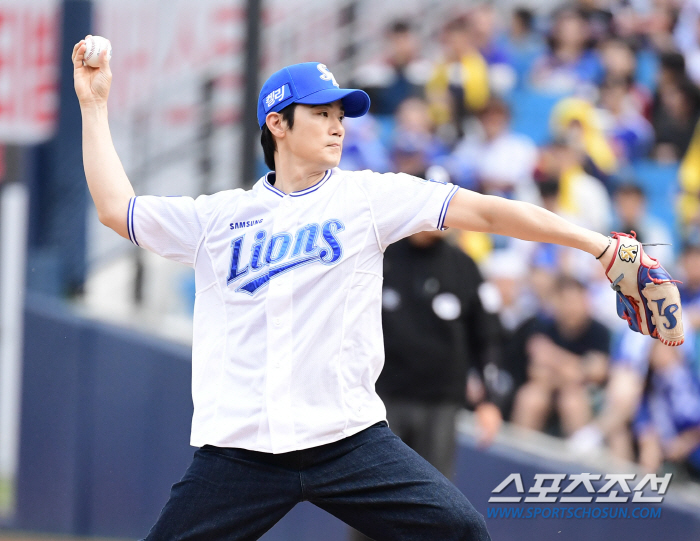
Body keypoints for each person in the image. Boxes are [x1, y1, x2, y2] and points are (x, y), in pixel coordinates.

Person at [73, 32, 638, 540]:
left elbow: (486, 213)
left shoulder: (367, 199)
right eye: (320, 113)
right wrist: (94, 106)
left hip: (347, 441)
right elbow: (115, 208)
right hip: (240, 451)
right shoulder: (217, 220)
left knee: (462, 531)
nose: (338, 124)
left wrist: (598, 244)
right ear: (278, 124)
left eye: (342, 113)